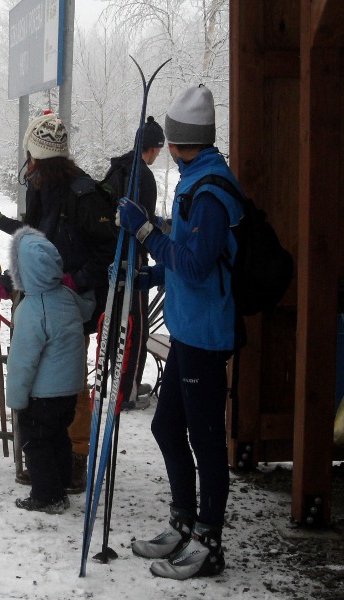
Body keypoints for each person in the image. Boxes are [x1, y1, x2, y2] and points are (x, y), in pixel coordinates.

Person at [115, 84, 242, 580]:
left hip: (205, 337)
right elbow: (185, 257)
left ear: (180, 141)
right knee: (166, 426)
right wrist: (147, 272)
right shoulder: (196, 179)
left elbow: (194, 263)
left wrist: (147, 234)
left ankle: (207, 544)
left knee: (207, 440)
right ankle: (183, 523)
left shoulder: (210, 190)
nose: (166, 145)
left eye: (170, 137)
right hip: (188, 329)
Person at [0, 111, 118, 493]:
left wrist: (78, 281)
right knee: (50, 377)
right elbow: (36, 243)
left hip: (76, 303)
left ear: (37, 156)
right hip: (47, 297)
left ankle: (73, 457)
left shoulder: (82, 195)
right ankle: (49, 458)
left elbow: (110, 249)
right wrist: (12, 280)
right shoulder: (42, 189)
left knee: (69, 378)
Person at [5, 226, 89, 514]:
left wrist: (16, 398)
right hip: (70, 391)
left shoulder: (31, 309)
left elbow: (22, 360)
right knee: (59, 438)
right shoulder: (66, 296)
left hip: (43, 395)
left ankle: (46, 495)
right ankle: (62, 481)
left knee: (37, 443)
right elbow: (86, 310)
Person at [102, 116, 165, 411]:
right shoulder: (144, 176)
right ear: (152, 149)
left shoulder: (118, 168)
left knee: (116, 325)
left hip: (111, 258)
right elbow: (144, 221)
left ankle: (117, 383)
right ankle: (126, 391)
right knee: (136, 327)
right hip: (133, 260)